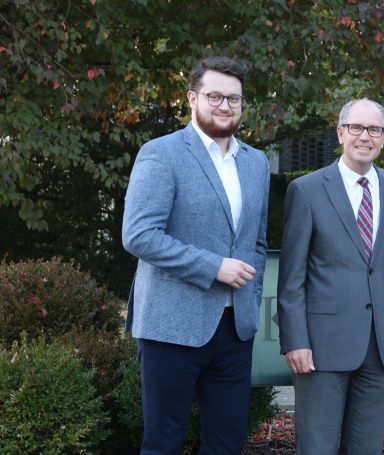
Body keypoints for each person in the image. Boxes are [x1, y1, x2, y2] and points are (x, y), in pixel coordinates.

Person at [122, 56, 270, 454]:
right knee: (163, 442)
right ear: (192, 97)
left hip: (235, 329)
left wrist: (250, 305)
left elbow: (256, 243)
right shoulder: (161, 153)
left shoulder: (256, 163)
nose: (225, 106)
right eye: (215, 96)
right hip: (171, 326)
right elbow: (139, 235)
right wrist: (214, 267)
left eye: (234, 99)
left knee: (227, 443)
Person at [277, 98, 384, 454]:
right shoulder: (307, 190)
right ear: (341, 133)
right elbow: (291, 277)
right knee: (317, 446)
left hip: (381, 343)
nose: (365, 136)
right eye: (356, 127)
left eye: (374, 129)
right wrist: (295, 340)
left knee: (367, 447)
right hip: (321, 345)